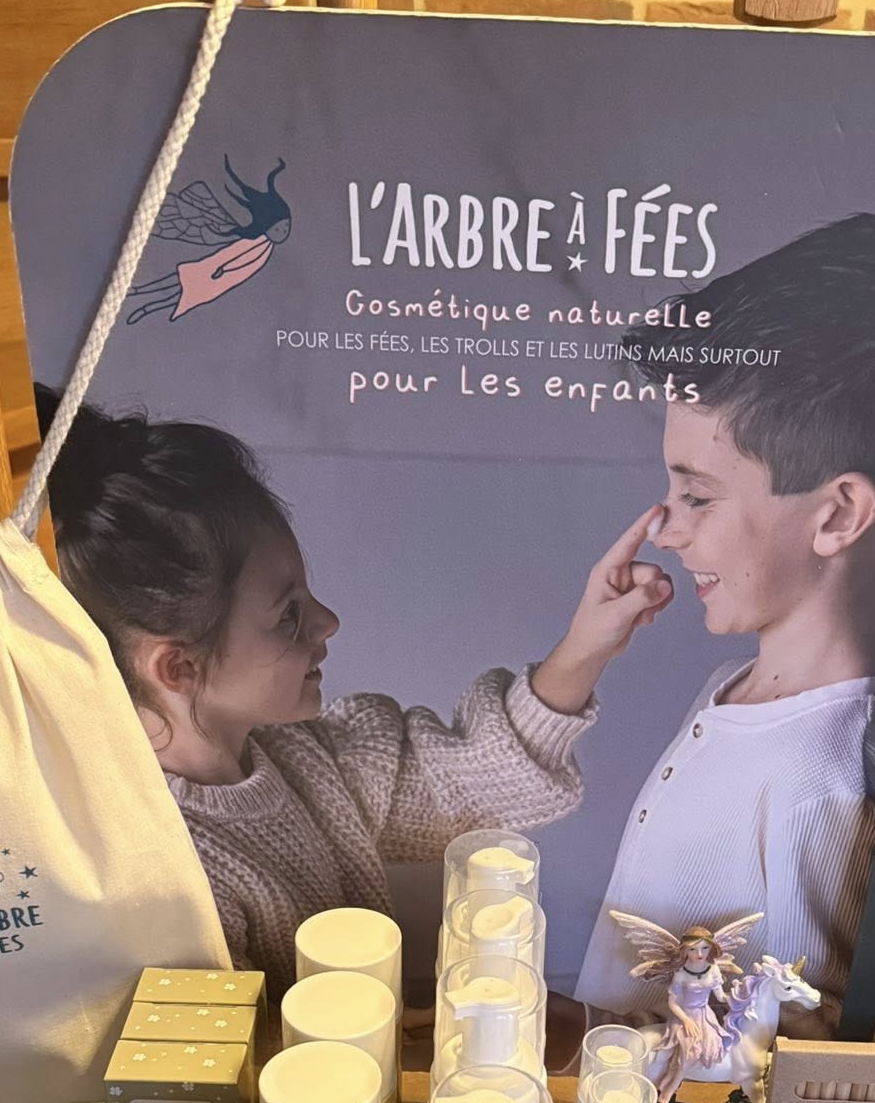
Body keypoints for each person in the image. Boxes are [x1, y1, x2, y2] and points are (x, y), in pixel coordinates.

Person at [36, 390, 671, 986]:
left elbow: (466, 779)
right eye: (287, 613)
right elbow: (227, 1057)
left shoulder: (310, 760)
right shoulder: (163, 878)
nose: (327, 622)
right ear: (178, 668)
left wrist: (586, 645)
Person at [574, 212, 875, 1032]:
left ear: (838, 515)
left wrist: (574, 1032)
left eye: (697, 495)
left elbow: (805, 1048)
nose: (665, 530)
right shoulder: (740, 688)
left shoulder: (825, 788)